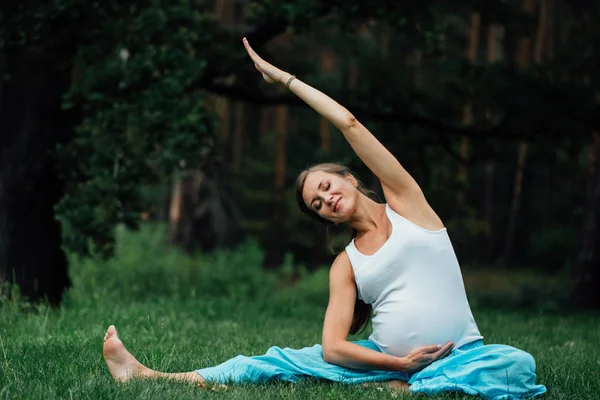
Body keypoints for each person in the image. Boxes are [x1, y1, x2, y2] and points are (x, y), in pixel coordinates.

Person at [102, 37, 547, 399]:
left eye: (327, 187)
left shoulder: (410, 206)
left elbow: (350, 124)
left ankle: (415, 387)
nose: (326, 200)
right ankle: (147, 376)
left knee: (516, 365)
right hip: (380, 358)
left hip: (462, 356)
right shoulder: (346, 264)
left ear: (350, 179)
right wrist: (398, 364)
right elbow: (334, 349)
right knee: (271, 361)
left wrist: (286, 80)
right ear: (326, 220)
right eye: (317, 204)